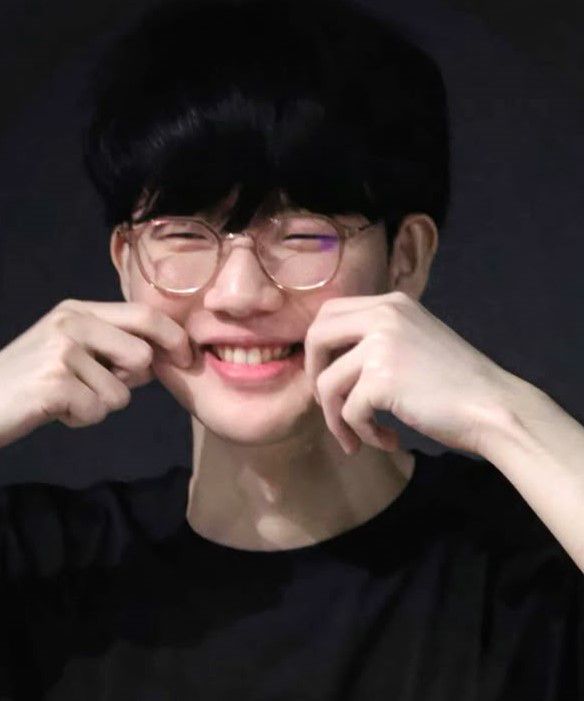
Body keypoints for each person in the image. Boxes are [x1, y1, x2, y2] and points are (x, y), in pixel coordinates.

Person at [0, 0, 582, 698]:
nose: (239, 293)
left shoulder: (534, 558)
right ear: (126, 265)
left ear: (406, 257)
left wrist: (503, 413)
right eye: (183, 233)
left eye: (304, 234)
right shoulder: (44, 568)